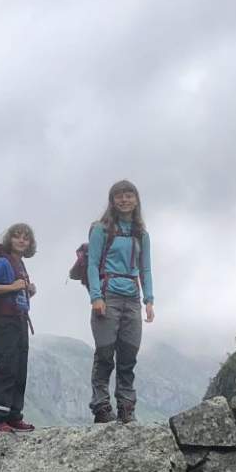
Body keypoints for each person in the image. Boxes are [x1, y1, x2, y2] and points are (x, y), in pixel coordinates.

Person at [85, 179, 155, 423]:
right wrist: (96, 297)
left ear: (136, 199)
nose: (124, 200)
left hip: (132, 298)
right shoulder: (101, 229)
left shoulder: (141, 234)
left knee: (128, 355)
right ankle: (102, 407)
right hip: (108, 295)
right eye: (119, 196)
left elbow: (145, 269)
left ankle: (126, 408)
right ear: (112, 201)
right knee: (105, 354)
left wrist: (149, 300)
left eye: (129, 195)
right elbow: (92, 264)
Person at [0, 222, 37, 432]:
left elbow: (14, 291)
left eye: (26, 237)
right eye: (17, 236)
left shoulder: (19, 264)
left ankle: (14, 416)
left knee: (19, 368)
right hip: (4, 322)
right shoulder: (4, 262)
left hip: (20, 320)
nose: (22, 240)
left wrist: (27, 291)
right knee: (6, 366)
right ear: (9, 239)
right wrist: (13, 286)